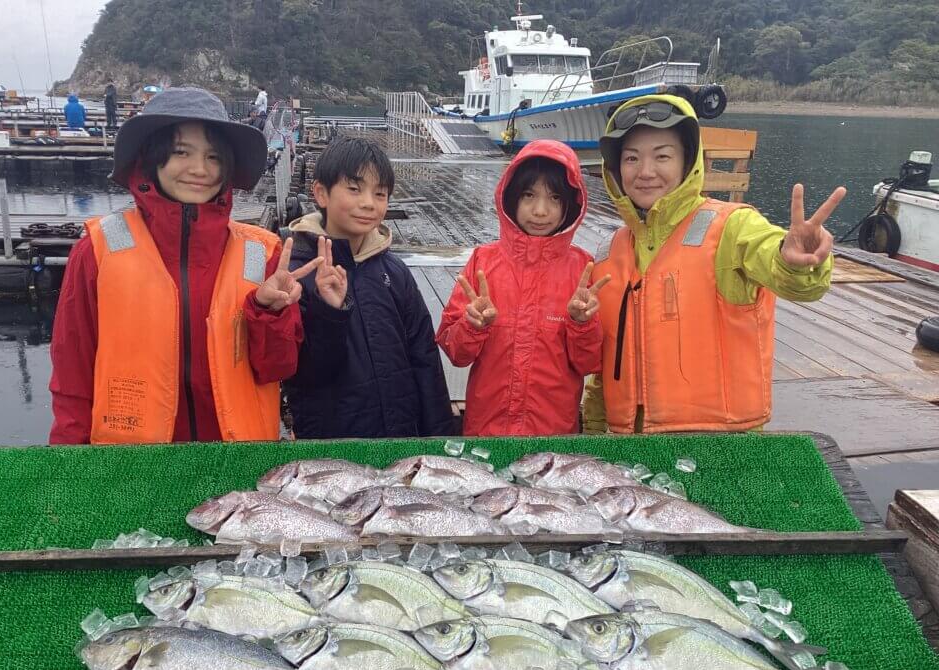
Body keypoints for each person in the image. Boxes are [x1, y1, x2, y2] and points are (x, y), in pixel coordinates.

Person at [49, 86, 321, 444]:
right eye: (181, 152)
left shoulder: (263, 252)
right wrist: (69, 461)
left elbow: (279, 367)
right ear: (151, 158)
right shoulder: (96, 250)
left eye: (213, 156)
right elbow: (72, 377)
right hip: (130, 465)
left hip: (239, 462)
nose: (199, 169)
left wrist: (270, 312)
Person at [583, 94, 847, 434]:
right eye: (631, 158)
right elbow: (605, 365)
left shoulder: (732, 226)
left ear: (687, 161)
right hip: (629, 443)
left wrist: (795, 261)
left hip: (722, 440)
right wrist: (592, 430)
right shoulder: (608, 252)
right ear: (615, 169)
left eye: (662, 156)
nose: (645, 172)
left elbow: (788, 273)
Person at [284, 135, 454, 438]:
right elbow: (304, 375)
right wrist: (330, 312)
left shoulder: (395, 272)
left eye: (380, 193)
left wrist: (439, 437)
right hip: (334, 446)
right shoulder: (297, 275)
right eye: (354, 189)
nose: (368, 203)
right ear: (321, 193)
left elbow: (425, 360)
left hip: (401, 439)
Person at [437, 140, 608, 436]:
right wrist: (472, 326)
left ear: (570, 205)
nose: (540, 211)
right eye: (529, 195)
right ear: (511, 197)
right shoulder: (483, 261)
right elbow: (456, 353)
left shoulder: (583, 269)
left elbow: (589, 364)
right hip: (487, 431)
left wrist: (581, 325)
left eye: (554, 198)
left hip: (553, 435)